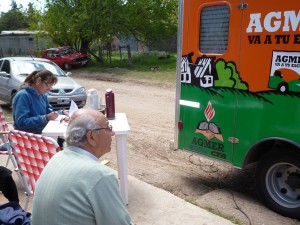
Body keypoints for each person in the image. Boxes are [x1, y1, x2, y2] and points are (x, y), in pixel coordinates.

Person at [31, 108, 134, 225]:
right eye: (108, 128)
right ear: (91, 136)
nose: (112, 133)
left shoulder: (57, 158)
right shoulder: (100, 176)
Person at [13, 70, 69, 134]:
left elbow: (49, 112)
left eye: (51, 86)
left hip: (41, 132)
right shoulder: (23, 95)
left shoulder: (42, 95)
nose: (49, 89)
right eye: (48, 85)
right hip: (27, 137)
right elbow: (22, 122)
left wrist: (62, 112)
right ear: (38, 81)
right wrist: (45, 118)